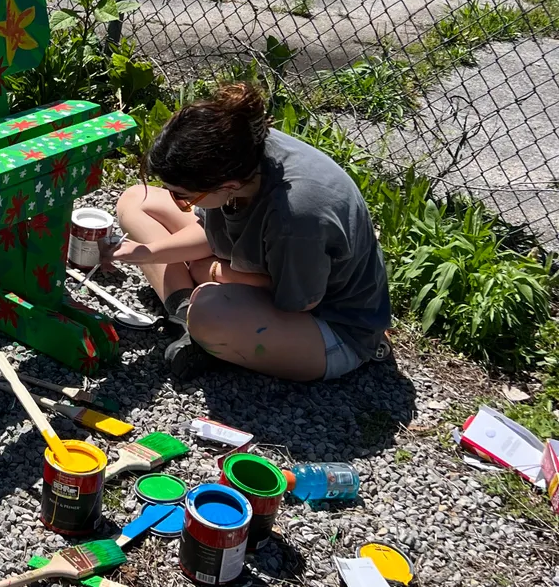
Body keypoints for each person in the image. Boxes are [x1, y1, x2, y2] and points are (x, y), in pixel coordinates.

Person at [107, 83, 391, 382]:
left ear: (227, 187)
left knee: (209, 312)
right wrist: (143, 252)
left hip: (329, 327)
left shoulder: (296, 215)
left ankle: (200, 325)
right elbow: (208, 233)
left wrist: (218, 273)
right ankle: (183, 315)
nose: (178, 203)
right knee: (135, 201)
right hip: (262, 266)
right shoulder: (238, 154)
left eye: (183, 195)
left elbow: (299, 301)